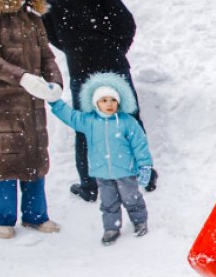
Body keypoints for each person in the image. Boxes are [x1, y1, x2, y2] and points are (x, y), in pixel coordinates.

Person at [42, 0, 156, 202]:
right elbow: (126, 22)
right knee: (128, 115)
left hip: (80, 65)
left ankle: (89, 184)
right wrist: (115, 48)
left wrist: (72, 49)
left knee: (86, 123)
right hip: (110, 62)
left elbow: (49, 30)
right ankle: (145, 175)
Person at [0, 0, 64, 239]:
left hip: (33, 103)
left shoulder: (33, 18)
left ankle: (36, 215)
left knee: (36, 157)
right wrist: (21, 77)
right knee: (5, 161)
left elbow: (47, 56)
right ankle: (3, 217)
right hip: (3, 103)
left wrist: (55, 82)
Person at [46, 72, 153, 245]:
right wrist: (54, 101)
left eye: (112, 100)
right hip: (102, 172)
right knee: (108, 202)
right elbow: (70, 116)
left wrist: (145, 165)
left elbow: (140, 144)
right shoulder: (88, 121)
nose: (109, 104)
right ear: (96, 103)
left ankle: (139, 221)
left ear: (119, 101)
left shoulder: (127, 121)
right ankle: (112, 227)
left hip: (125, 171)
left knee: (131, 198)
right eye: (104, 101)